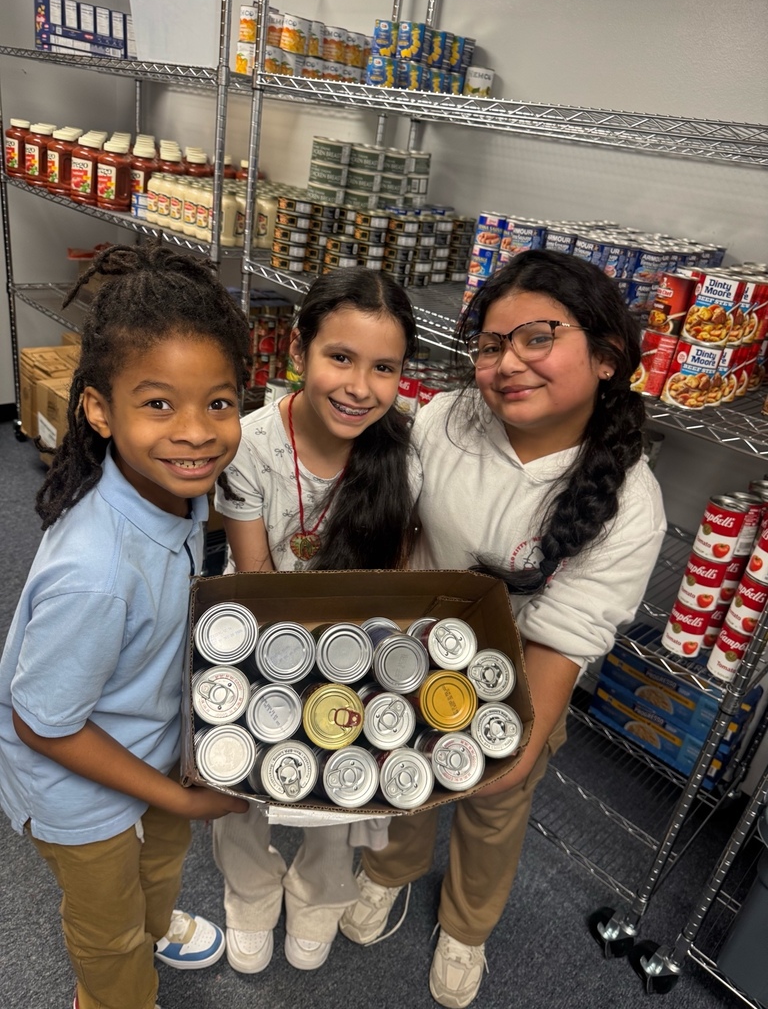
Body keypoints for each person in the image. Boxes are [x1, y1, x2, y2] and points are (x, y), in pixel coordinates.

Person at [339, 249, 667, 1008]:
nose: (507, 363)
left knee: (494, 804)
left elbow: (551, 659)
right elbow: (399, 530)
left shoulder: (630, 507)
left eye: (538, 338)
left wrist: (494, 753)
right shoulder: (449, 418)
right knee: (400, 782)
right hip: (410, 653)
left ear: (609, 356)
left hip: (517, 681)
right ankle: (386, 872)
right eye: (490, 345)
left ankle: (467, 926)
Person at [0, 242, 252, 1009]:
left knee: (157, 868)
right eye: (158, 404)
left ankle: (153, 920)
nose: (197, 431)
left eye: (220, 402)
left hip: (152, 739)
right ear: (99, 410)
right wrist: (176, 797)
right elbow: (43, 723)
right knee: (107, 934)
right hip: (74, 784)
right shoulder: (96, 574)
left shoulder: (178, 494)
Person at [212, 267, 418, 974]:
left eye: (384, 368)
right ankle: (249, 889)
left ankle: (321, 889)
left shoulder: (402, 453)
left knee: (345, 768)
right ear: (300, 350)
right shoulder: (249, 443)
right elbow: (255, 575)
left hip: (354, 647)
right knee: (237, 775)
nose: (360, 386)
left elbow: (388, 587)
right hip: (262, 629)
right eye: (340, 357)